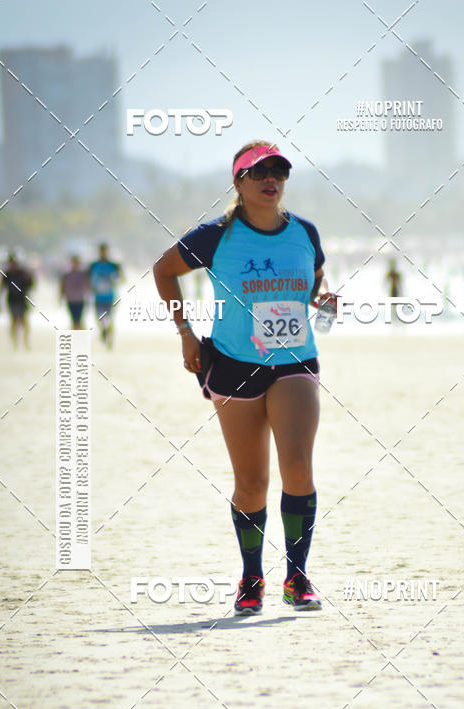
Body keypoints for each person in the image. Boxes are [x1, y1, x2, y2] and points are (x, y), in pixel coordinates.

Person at [153, 140, 336, 616]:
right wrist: (185, 333)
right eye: (259, 172)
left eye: (279, 171)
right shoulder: (215, 237)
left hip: (294, 361)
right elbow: (164, 271)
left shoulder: (305, 232)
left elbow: (314, 278)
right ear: (238, 181)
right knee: (251, 482)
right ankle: (252, 577)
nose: (271, 179)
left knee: (298, 468)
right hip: (234, 363)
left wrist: (320, 299)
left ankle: (297, 578)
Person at [0, 253, 34, 349]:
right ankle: (14, 343)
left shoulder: (23, 273)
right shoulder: (7, 274)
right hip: (12, 300)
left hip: (22, 300)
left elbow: (31, 285)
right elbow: (1, 288)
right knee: (13, 321)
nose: (12, 264)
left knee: (24, 322)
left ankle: (25, 341)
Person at [88, 242, 122, 347]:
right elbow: (88, 279)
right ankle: (104, 330)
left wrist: (114, 281)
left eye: (104, 251)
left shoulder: (113, 265)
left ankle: (110, 341)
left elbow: (122, 278)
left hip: (110, 298)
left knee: (110, 319)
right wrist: (91, 288)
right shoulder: (93, 265)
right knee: (99, 319)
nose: (103, 253)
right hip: (98, 298)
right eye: (101, 251)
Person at [59, 255, 89, 328]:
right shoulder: (67, 275)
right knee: (74, 320)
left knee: (79, 320)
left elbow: (87, 286)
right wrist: (60, 297)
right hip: (70, 300)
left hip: (80, 300)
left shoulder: (83, 274)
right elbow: (62, 286)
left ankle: (80, 332)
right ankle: (75, 333)